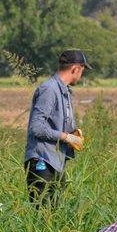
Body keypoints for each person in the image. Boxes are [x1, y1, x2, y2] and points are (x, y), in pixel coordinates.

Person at [25, 49, 89, 206]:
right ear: (75, 69)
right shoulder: (50, 90)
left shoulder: (64, 91)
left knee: (55, 216)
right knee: (43, 217)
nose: (81, 76)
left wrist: (73, 135)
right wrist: (66, 137)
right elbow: (36, 127)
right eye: (82, 71)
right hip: (42, 161)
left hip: (55, 162)